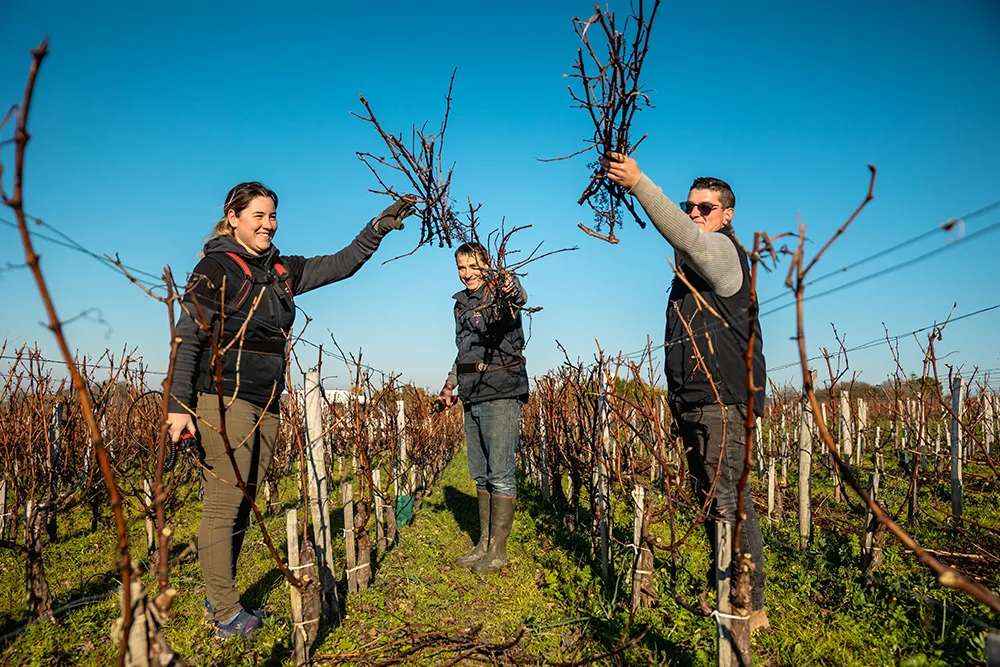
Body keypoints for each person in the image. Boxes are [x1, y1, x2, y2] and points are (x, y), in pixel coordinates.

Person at [166, 181, 415, 638]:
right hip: (223, 401)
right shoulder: (214, 267)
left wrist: (377, 229)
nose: (267, 224)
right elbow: (188, 337)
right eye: (257, 216)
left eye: (272, 216)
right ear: (234, 217)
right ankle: (224, 613)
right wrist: (179, 404)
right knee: (223, 506)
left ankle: (221, 595)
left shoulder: (281, 269)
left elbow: (340, 264)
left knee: (242, 504)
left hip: (267, 403)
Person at [603, 154, 769, 631]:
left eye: (705, 208)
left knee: (730, 504)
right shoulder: (688, 275)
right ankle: (725, 586)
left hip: (724, 402)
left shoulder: (723, 252)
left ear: (726, 215)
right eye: (689, 206)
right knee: (711, 501)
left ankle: (747, 604)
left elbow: (685, 237)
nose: (696, 214)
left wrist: (639, 184)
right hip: (694, 400)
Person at [437, 242, 529, 575]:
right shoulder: (460, 305)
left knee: (500, 473)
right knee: (480, 471)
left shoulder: (500, 295)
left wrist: (507, 284)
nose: (467, 274)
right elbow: (465, 352)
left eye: (473, 266)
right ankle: (484, 545)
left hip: (502, 390)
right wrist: (450, 386)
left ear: (486, 266)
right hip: (472, 393)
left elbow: (518, 296)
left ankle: (498, 552)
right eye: (461, 268)